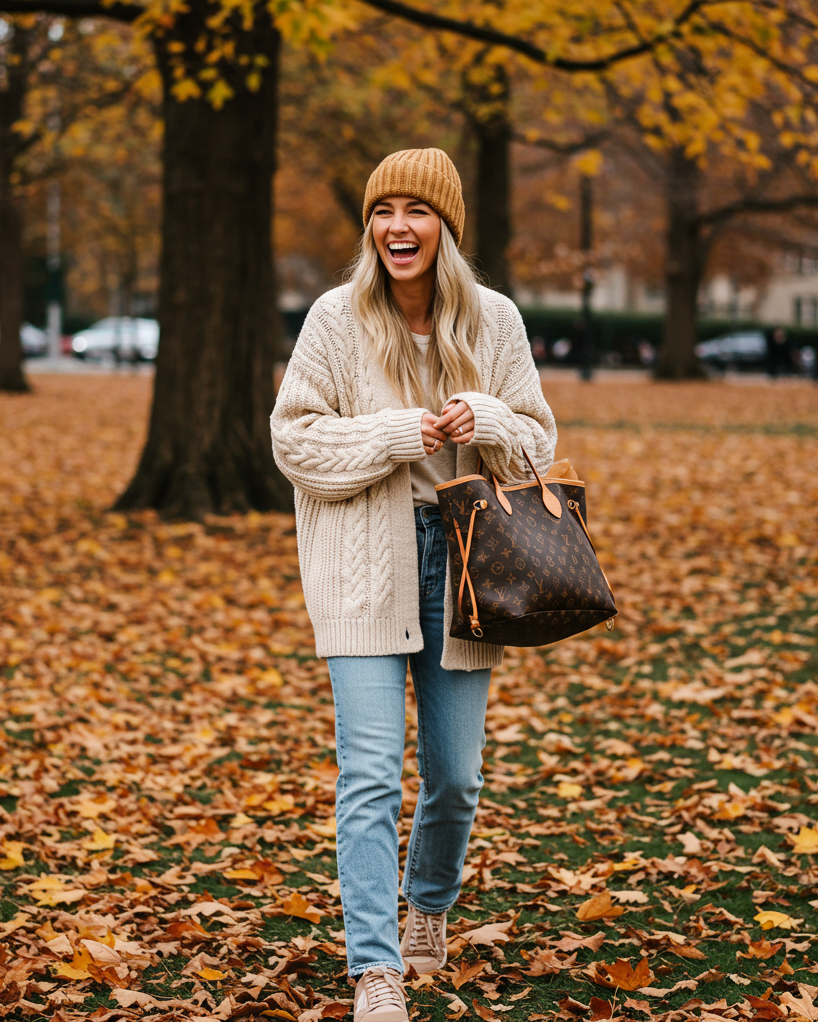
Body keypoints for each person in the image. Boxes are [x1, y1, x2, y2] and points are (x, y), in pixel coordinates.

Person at [270, 148, 557, 1022]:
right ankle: (375, 968)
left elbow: (539, 444)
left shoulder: (495, 321)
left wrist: (492, 418)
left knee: (456, 776)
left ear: (446, 227)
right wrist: (396, 434)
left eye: (417, 210)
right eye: (384, 211)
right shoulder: (335, 319)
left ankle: (427, 903)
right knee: (368, 774)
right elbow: (294, 439)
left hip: (469, 565)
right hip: (364, 561)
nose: (398, 227)